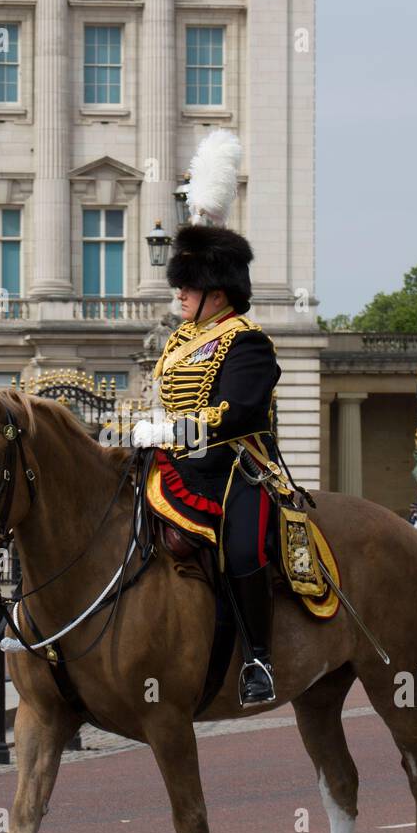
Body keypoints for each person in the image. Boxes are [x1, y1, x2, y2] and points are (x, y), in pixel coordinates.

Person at [132, 221, 282, 706]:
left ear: (216, 293)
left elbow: (234, 411)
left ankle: (258, 658)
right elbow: (163, 397)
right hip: (179, 462)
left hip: (235, 465)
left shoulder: (248, 342)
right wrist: (147, 425)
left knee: (242, 548)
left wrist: (174, 430)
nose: (179, 292)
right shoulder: (178, 343)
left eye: (189, 285)